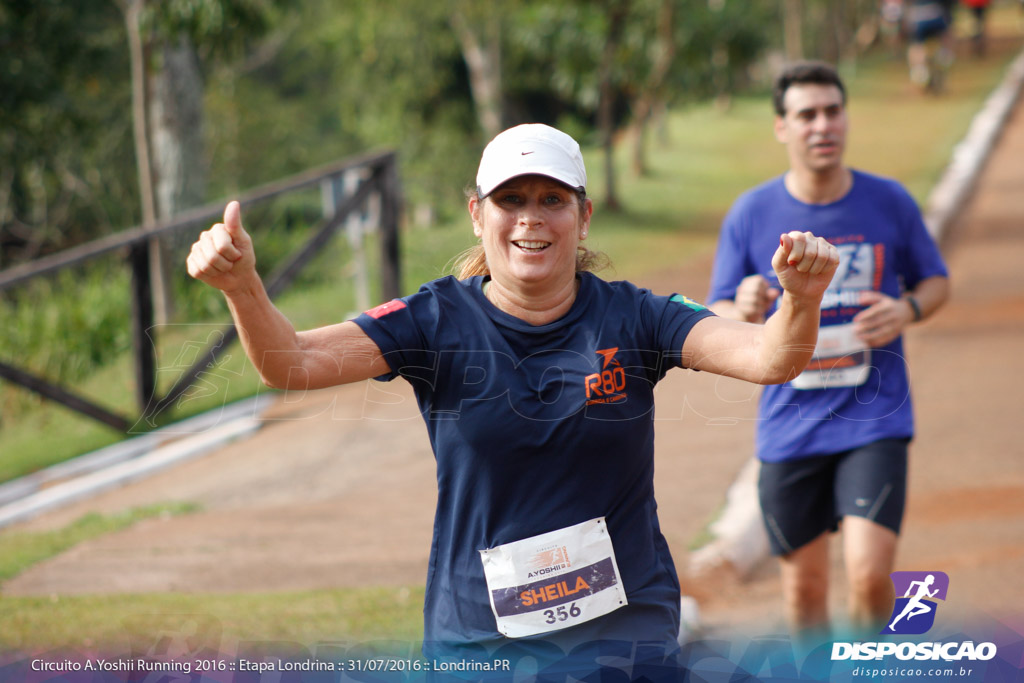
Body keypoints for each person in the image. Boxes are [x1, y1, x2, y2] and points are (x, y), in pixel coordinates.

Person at [187, 123, 839, 676]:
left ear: (582, 216)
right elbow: (290, 361)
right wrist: (243, 287)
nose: (530, 216)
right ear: (478, 213)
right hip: (480, 642)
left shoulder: (637, 318)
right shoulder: (432, 321)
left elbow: (769, 357)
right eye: (511, 199)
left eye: (551, 199)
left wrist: (801, 301)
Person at [707, 62, 950, 639]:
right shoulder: (751, 213)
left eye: (832, 111)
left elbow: (935, 281)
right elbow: (715, 309)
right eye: (806, 114)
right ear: (781, 128)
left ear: (846, 117)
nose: (823, 125)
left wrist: (907, 310)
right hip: (790, 427)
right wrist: (741, 304)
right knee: (806, 590)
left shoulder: (888, 201)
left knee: (869, 578)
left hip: (874, 417)